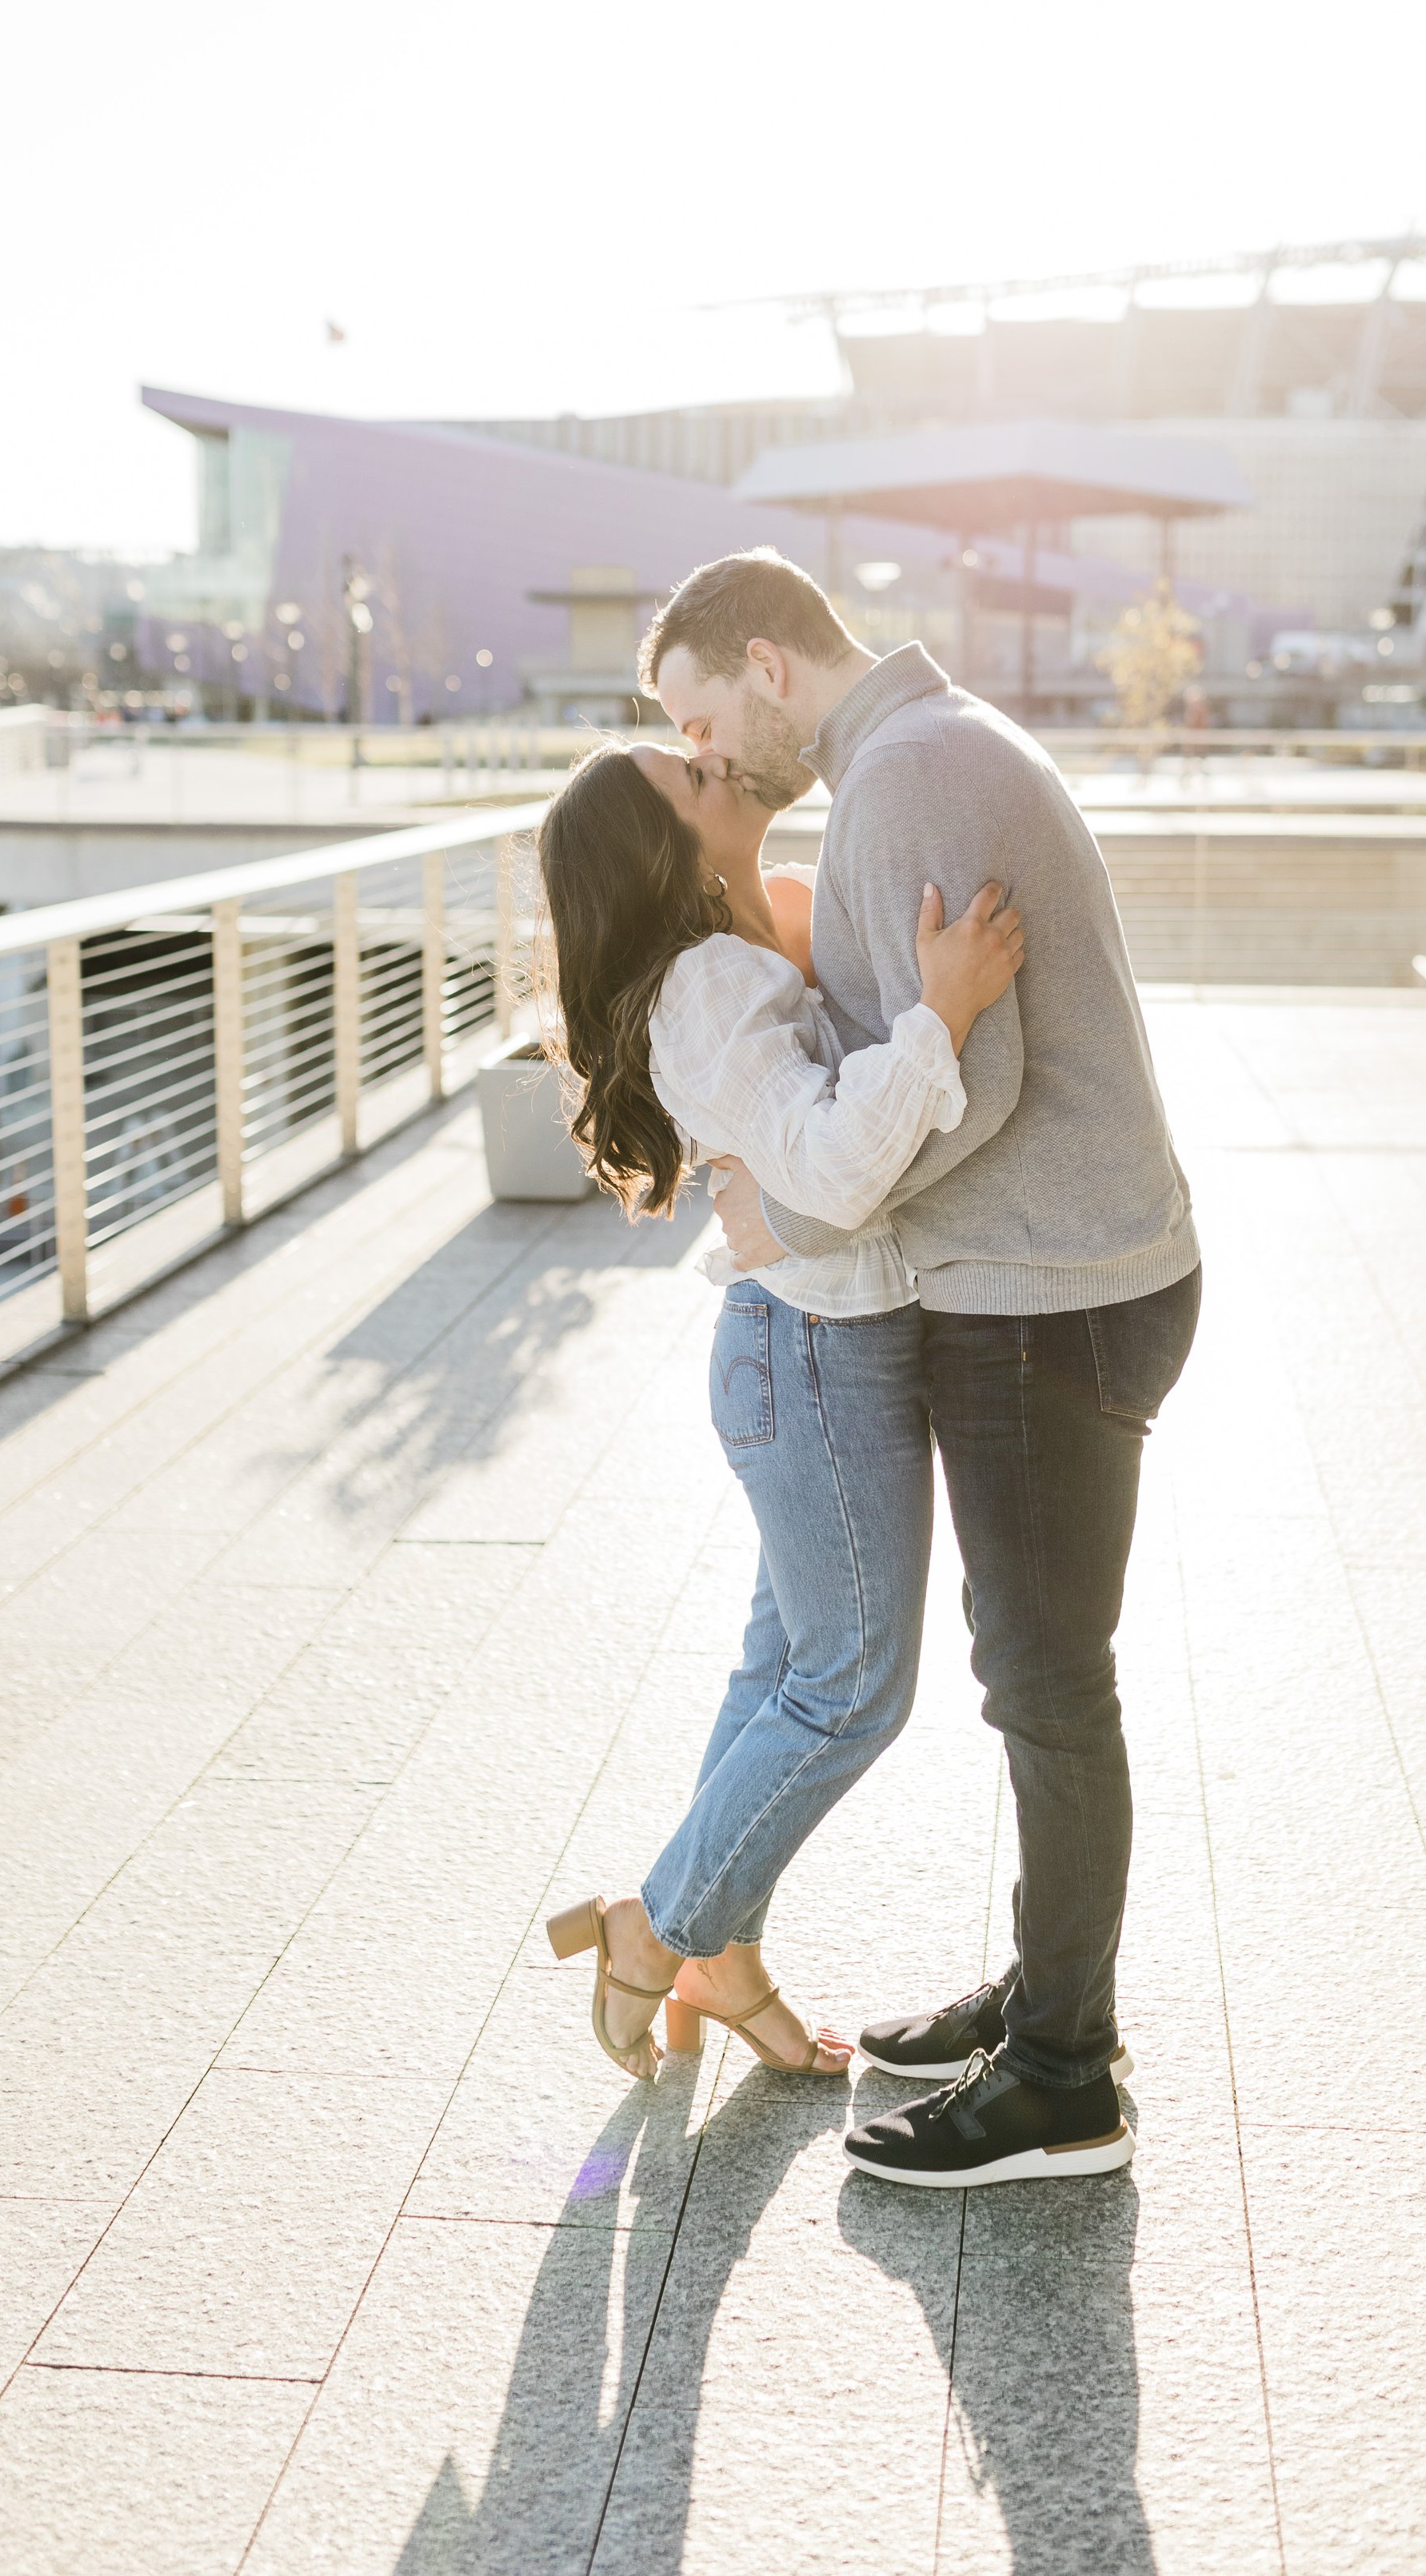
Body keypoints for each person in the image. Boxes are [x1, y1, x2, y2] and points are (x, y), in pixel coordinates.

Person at [645, 548, 1200, 2191]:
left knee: (1041, 1685)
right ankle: (1044, 1999)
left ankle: (1059, 2079)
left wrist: (792, 1194)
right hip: (1061, 1278)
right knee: (1031, 1672)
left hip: (1046, 1294)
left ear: (764, 660)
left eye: (696, 715)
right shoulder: (922, 753)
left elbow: (984, 1069)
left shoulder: (901, 783)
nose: (705, 754)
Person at [537, 738, 1024, 2086]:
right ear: (675, 851)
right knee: (853, 1685)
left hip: (810, 1350)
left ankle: (722, 1958)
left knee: (781, 1673)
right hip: (810, 1353)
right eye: (684, 775)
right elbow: (831, 1168)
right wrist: (942, 1010)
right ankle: (659, 1923)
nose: (713, 762)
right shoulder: (709, 985)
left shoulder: (753, 939)